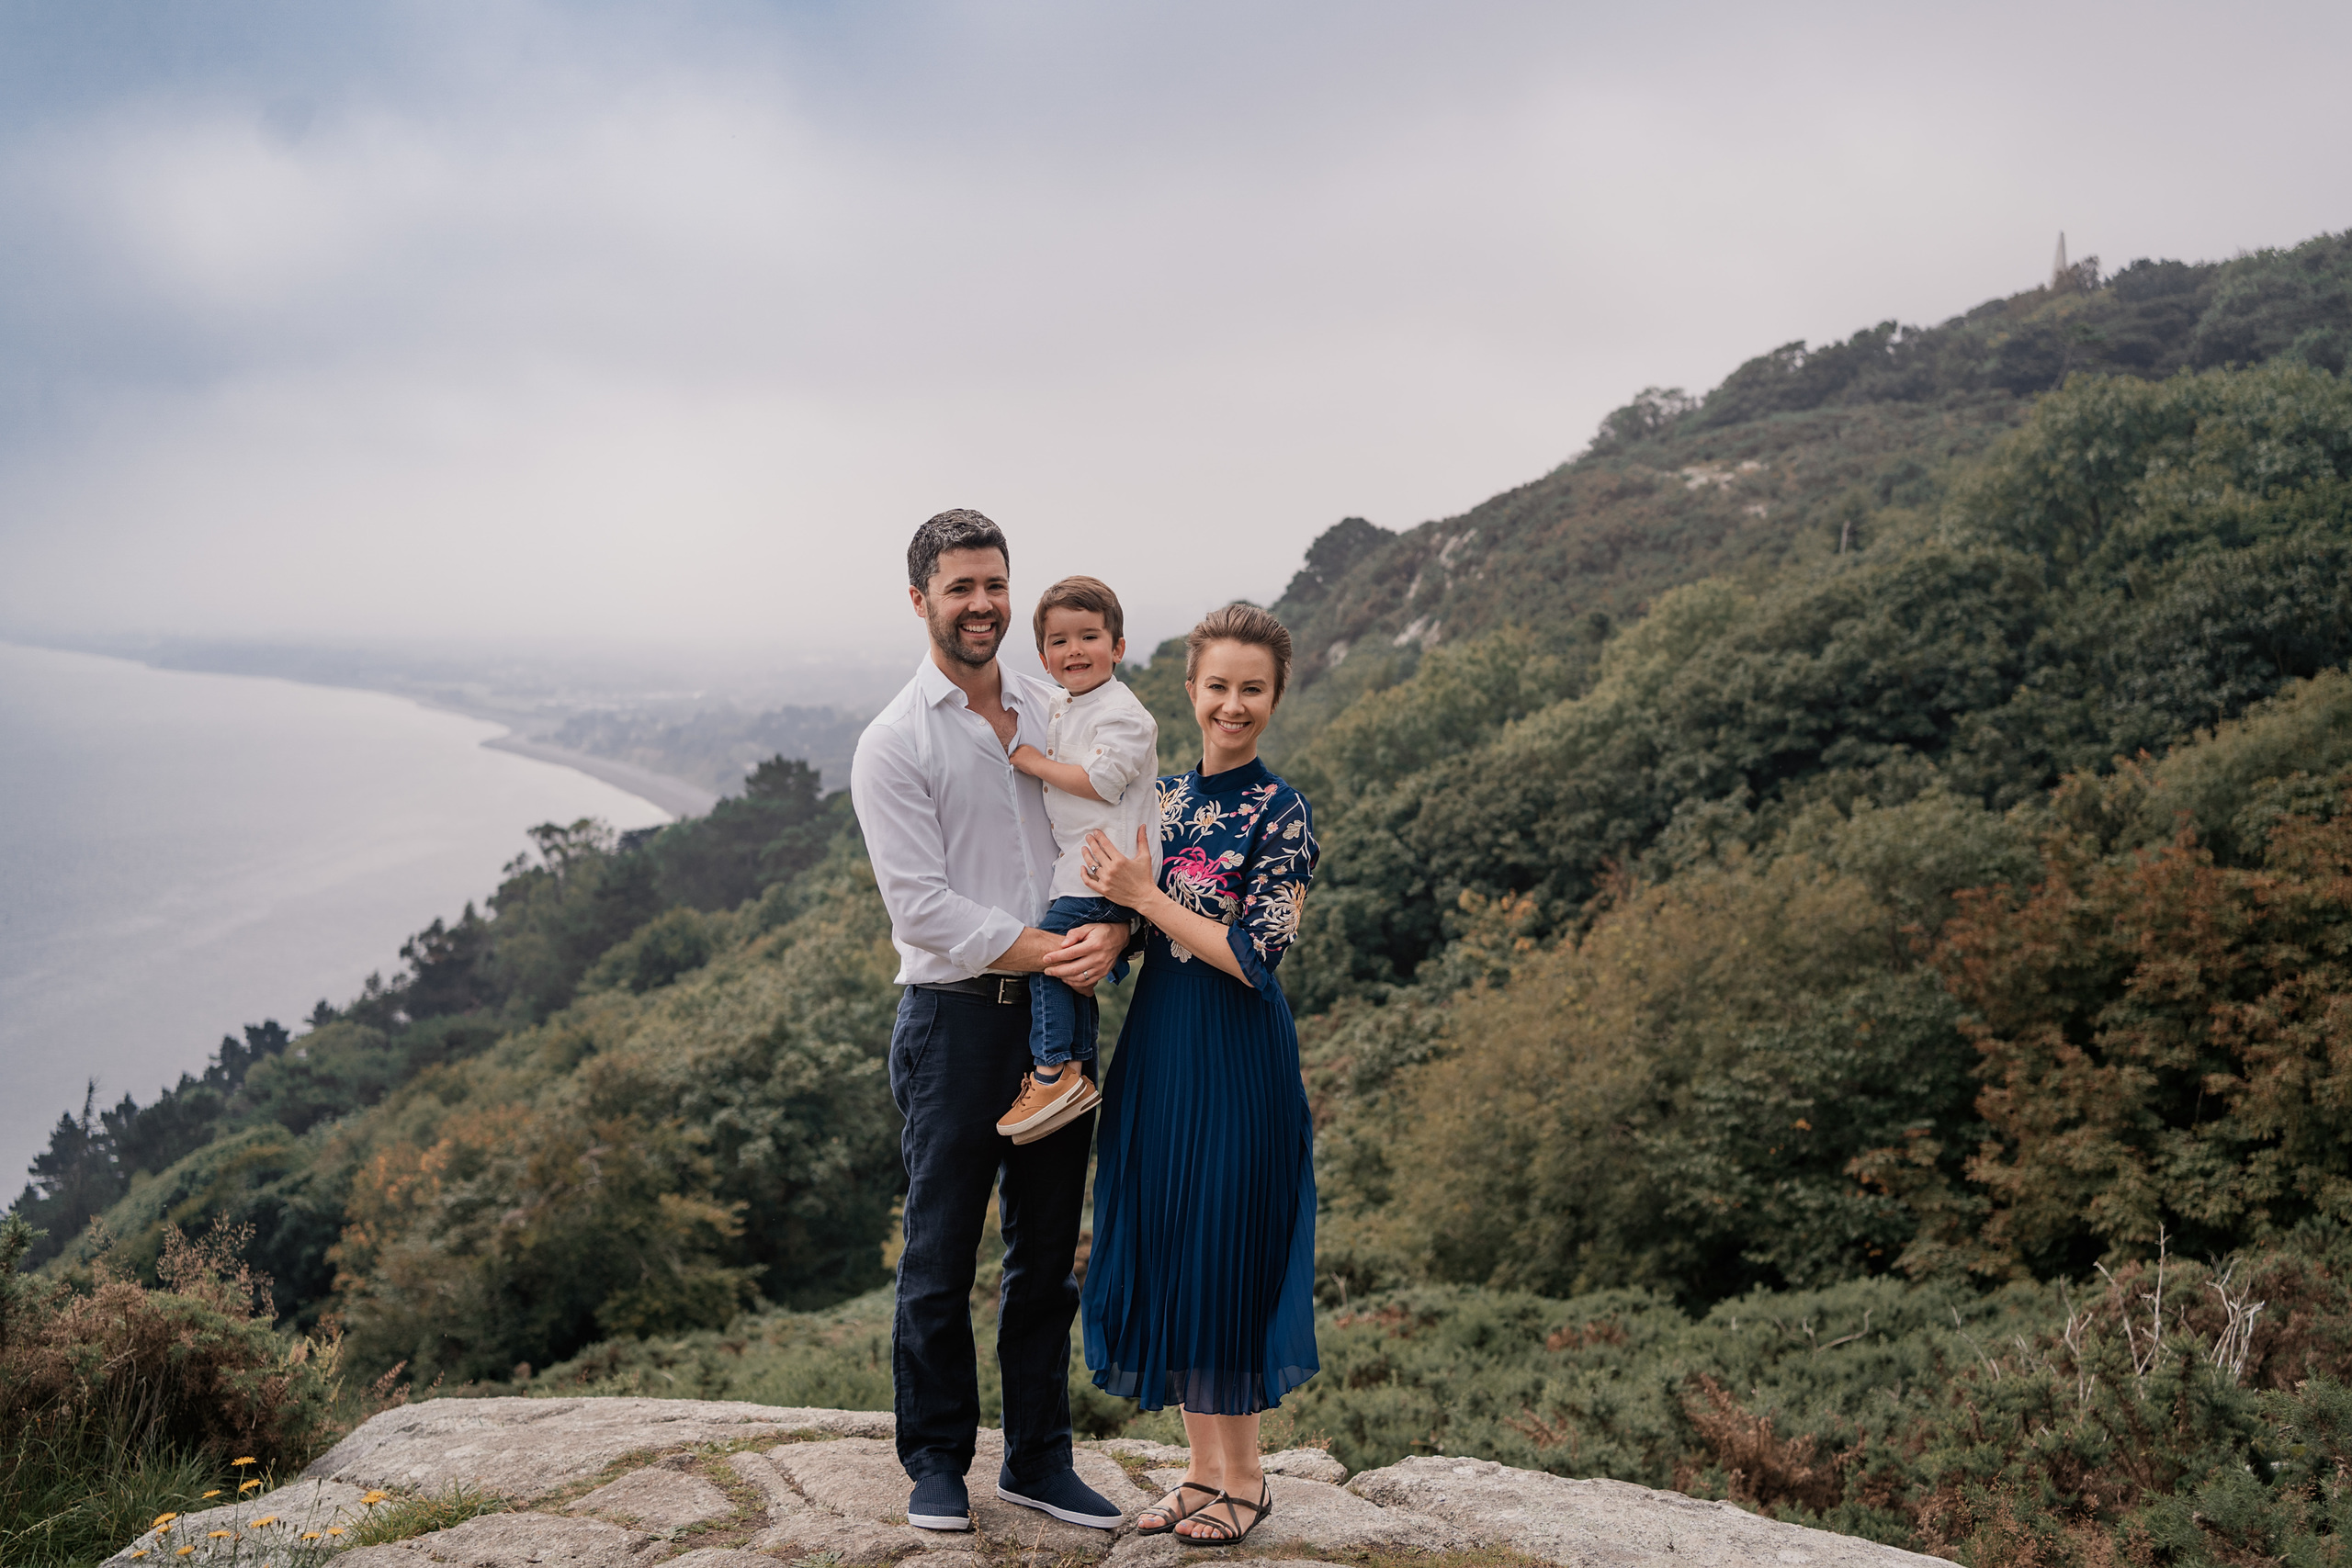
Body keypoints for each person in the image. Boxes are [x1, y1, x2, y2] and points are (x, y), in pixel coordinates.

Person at [848, 509, 1132, 1536]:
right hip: (955, 1025)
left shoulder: (1056, 704)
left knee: (1046, 1256)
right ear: (919, 599)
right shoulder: (895, 741)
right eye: (960, 587)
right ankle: (935, 1462)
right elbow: (922, 911)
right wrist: (1054, 950)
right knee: (939, 1253)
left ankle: (1039, 1459)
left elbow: (1113, 827)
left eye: (994, 584)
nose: (982, 604)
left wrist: (1117, 930)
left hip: (1060, 1016)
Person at [1074, 603, 1321, 1548]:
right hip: (1159, 1046)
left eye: (1252, 689)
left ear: (1275, 697)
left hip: (1237, 1055)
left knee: (1224, 1248)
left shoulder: (1282, 812)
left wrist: (1143, 895)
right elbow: (1135, 927)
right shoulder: (1162, 798)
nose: (1232, 704)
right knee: (1171, 1241)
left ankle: (1246, 1481)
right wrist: (1107, 927)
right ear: (1190, 690)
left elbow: (1256, 955)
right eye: (1217, 685)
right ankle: (1197, 1471)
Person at [996, 575, 1160, 1145]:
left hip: (1106, 871)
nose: (1075, 651)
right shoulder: (1067, 704)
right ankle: (1077, 1067)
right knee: (1075, 972)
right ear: (1044, 658)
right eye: (1059, 642)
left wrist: (1031, 761)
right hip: (1085, 867)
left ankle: (1052, 1072)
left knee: (1049, 954)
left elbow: (1101, 782)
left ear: (1118, 647)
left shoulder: (1123, 713)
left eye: (1089, 637)